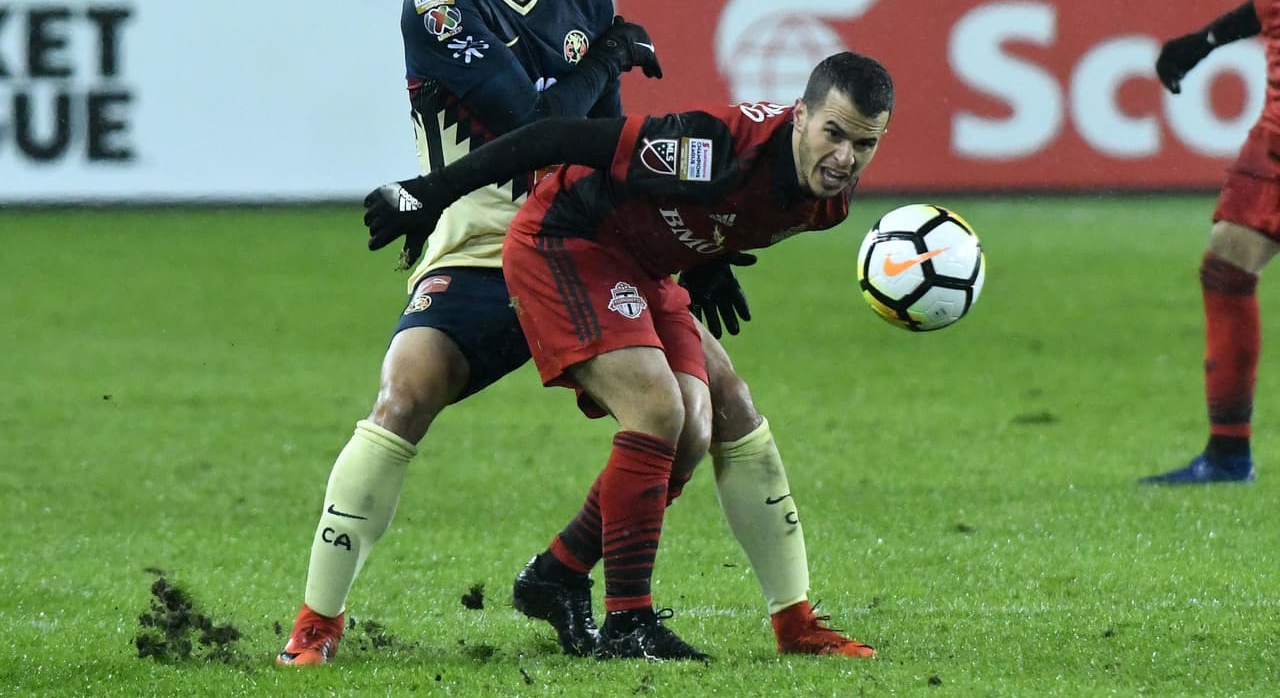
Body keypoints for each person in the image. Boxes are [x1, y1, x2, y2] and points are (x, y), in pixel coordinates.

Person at [278, 0, 869, 666]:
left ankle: (585, 577)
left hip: (592, 230)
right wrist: (606, 57)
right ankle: (317, 624)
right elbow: (530, 124)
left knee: (711, 415)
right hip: (480, 233)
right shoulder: (435, 2)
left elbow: (605, 146)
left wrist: (691, 251)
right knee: (405, 395)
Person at [363, 50, 895, 659]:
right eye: (833, 132)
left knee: (698, 426)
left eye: (864, 143)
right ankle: (628, 623)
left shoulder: (829, 202)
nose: (845, 158)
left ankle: (559, 574)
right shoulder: (710, 148)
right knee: (656, 409)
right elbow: (553, 137)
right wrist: (429, 193)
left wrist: (710, 259)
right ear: (799, 116)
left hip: (643, 264)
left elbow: (721, 210)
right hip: (566, 240)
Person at [1142, 0, 1280, 484]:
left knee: (1229, 258)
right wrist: (1205, 39)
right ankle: (1228, 454)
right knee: (1228, 260)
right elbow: (1270, 0)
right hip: (1278, 111)